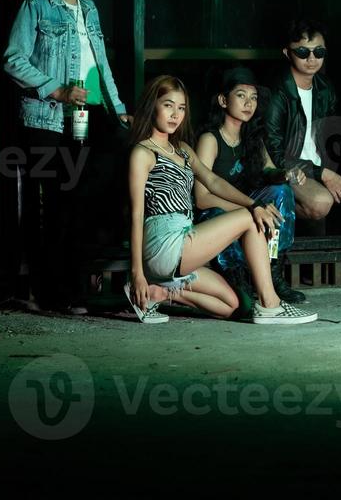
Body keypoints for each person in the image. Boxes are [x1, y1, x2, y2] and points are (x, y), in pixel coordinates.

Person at [3, 0, 131, 314]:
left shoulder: (89, 8)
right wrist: (55, 88)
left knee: (82, 201)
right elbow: (12, 59)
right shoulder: (36, 5)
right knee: (57, 204)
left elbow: (101, 65)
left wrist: (117, 107)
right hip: (45, 120)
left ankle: (75, 288)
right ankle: (52, 293)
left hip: (86, 119)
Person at [126, 74, 318, 325]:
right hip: (163, 244)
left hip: (184, 240)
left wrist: (255, 204)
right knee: (251, 218)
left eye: (181, 107)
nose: (175, 114)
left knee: (231, 306)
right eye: (168, 105)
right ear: (153, 106)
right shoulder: (143, 152)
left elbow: (214, 182)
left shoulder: (182, 149)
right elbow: (136, 214)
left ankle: (157, 293)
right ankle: (270, 304)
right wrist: (137, 272)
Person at [194, 66, 307, 310]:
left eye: (253, 97)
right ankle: (240, 282)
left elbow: (268, 170)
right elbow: (202, 198)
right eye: (241, 95)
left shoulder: (253, 135)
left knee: (281, 191)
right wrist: (249, 209)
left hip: (249, 205)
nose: (249, 103)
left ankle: (273, 271)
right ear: (224, 100)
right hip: (218, 212)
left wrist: (286, 174)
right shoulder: (210, 139)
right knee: (217, 214)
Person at [265, 18, 341, 222]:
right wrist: (325, 175)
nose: (312, 58)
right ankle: (272, 206)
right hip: (290, 170)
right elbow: (274, 154)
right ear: (288, 53)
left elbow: (333, 138)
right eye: (303, 52)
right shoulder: (277, 94)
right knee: (322, 203)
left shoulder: (324, 88)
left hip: (322, 164)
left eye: (319, 52)